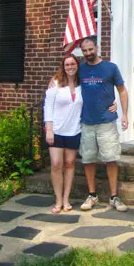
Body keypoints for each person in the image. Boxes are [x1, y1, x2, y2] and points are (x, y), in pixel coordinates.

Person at [79, 36, 129, 212]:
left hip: (107, 121)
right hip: (86, 122)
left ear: (97, 48)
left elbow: (122, 91)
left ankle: (114, 197)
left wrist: (124, 114)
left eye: (90, 49)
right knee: (88, 159)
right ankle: (92, 195)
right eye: (84, 51)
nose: (88, 53)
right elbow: (65, 84)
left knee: (111, 159)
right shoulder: (80, 69)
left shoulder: (110, 68)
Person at [44, 54, 82, 214]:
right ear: (63, 66)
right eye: (67, 64)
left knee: (70, 164)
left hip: (74, 131)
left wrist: (112, 104)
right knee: (56, 164)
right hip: (56, 131)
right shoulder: (56, 83)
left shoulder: (83, 84)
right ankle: (58, 200)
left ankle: (66, 199)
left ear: (77, 65)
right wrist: (49, 129)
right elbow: (48, 105)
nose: (70, 67)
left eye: (72, 64)